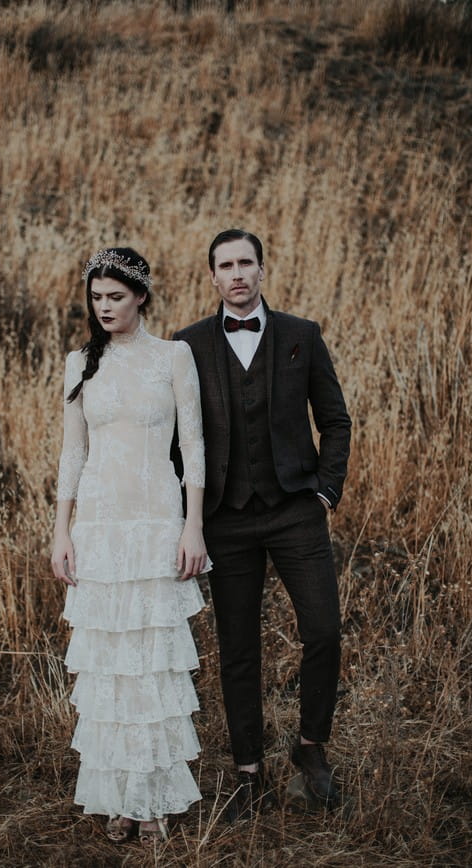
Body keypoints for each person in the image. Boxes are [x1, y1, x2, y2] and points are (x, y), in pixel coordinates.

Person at [174, 229, 351, 821]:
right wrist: (187, 515)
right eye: (225, 265)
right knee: (238, 648)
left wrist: (325, 489)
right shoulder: (188, 345)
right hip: (226, 518)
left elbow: (336, 419)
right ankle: (249, 771)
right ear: (213, 277)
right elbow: (177, 440)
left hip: (297, 508)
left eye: (246, 262)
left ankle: (310, 749)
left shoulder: (303, 336)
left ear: (262, 268)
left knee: (324, 629)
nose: (237, 274)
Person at [51, 247, 208, 845]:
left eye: (116, 297)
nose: (105, 308)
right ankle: (120, 798)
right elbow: (72, 452)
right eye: (96, 298)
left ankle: (154, 802)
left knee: (152, 667)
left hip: (156, 525)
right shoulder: (79, 363)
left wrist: (193, 526)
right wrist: (61, 529)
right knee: (111, 671)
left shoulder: (173, 356)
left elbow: (192, 446)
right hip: (98, 528)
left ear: (141, 295)